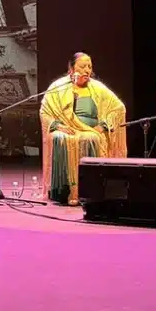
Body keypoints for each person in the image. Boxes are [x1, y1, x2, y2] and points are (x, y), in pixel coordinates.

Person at [40, 52, 127, 205]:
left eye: (89, 67)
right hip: (66, 129)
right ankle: (63, 192)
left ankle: (90, 191)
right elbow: (45, 112)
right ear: (71, 69)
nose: (87, 70)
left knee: (90, 138)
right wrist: (58, 125)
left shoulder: (97, 88)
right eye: (82, 66)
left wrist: (103, 126)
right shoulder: (58, 87)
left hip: (91, 131)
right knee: (60, 137)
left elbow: (118, 108)